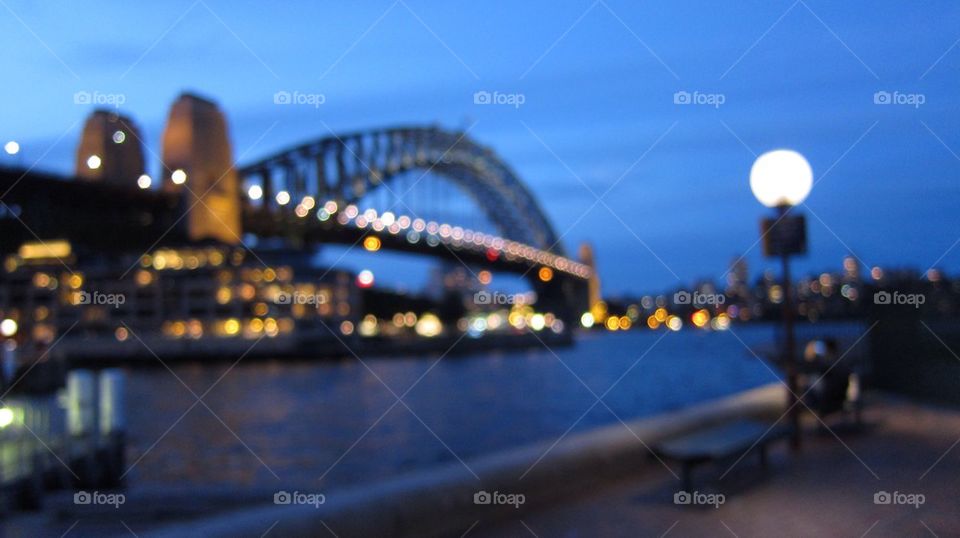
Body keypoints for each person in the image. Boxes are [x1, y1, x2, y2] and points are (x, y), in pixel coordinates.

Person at [800, 338, 850, 418]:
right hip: (836, 400)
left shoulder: (831, 364)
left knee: (808, 383)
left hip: (831, 400)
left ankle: (816, 413)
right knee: (810, 381)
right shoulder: (838, 362)